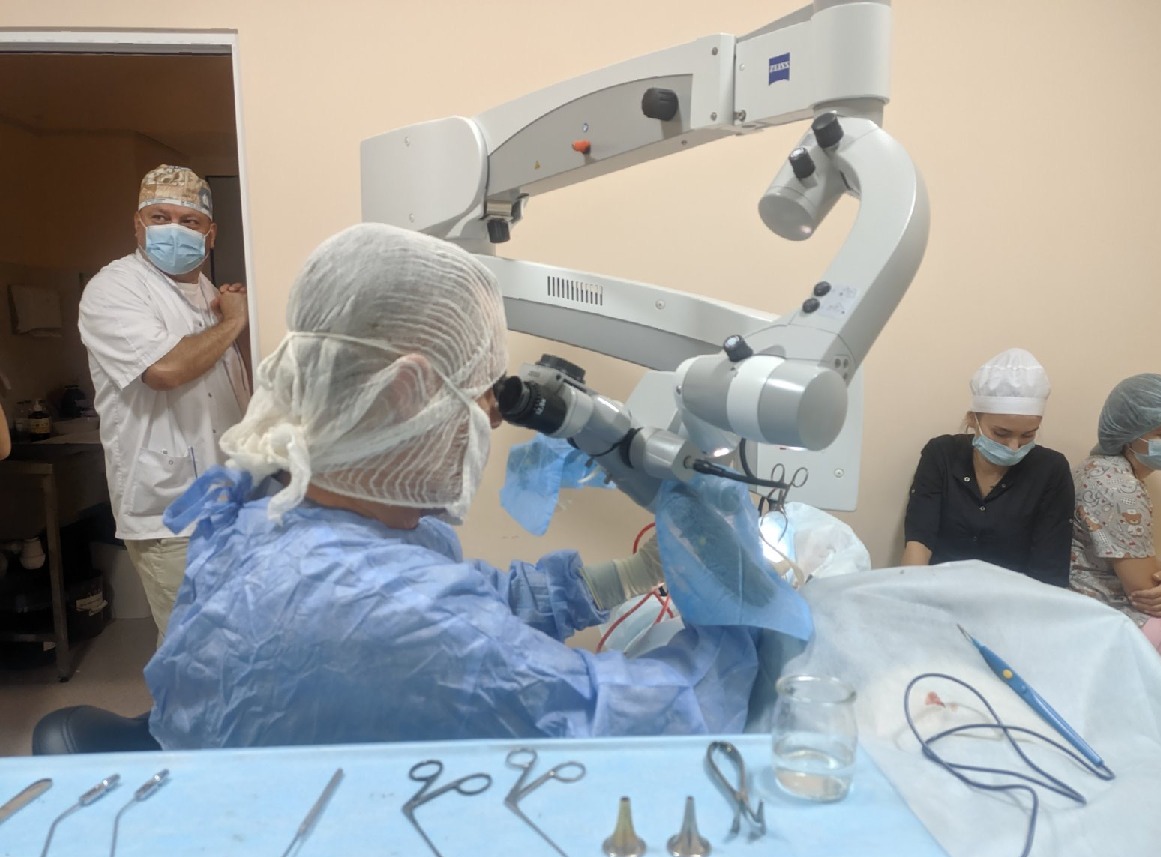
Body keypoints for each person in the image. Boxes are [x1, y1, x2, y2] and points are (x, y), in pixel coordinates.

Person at [145, 223, 759, 749]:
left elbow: (473, 608)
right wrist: (742, 624)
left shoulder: (274, 508)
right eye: (482, 396)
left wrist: (625, 576)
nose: (493, 419)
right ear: (404, 393)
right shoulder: (382, 609)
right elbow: (630, 721)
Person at [78, 164, 251, 641]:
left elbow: (241, 391)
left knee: (229, 644)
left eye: (189, 220)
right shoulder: (115, 289)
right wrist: (234, 322)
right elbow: (164, 370)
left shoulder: (211, 295)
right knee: (197, 650)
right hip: (169, 513)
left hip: (228, 502)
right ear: (138, 224)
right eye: (160, 217)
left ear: (210, 234)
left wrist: (238, 325)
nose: (174, 229)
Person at [1069, 374, 1161, 699]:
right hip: (1110, 623)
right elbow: (1148, 595)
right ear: (1128, 434)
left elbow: (1136, 554)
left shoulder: (1101, 468)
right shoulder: (1119, 487)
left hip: (1099, 617)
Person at [901, 349, 1073, 586]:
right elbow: (919, 542)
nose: (1014, 447)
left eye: (1027, 435)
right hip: (939, 590)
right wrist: (909, 592)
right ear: (973, 420)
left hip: (1014, 599)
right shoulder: (941, 454)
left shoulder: (1051, 471)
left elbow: (1049, 570)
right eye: (1001, 433)